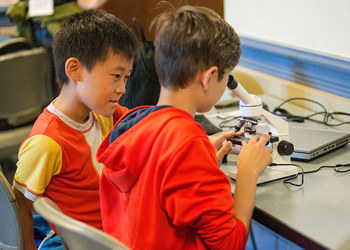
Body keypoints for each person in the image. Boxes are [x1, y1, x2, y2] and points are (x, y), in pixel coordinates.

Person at [97, 4, 272, 250]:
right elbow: (229, 245)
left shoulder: (134, 122)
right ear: (209, 77)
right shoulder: (188, 143)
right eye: (225, 78)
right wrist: (248, 172)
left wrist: (202, 158)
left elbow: (158, 177)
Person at [12, 9, 139, 249]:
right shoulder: (47, 141)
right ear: (75, 70)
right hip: (95, 242)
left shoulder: (103, 114)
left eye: (126, 77)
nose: (122, 88)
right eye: (115, 76)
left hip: (117, 226)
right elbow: (19, 203)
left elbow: (145, 129)